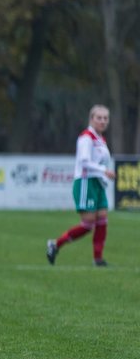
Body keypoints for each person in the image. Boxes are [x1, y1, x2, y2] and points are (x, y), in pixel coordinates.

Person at [47, 105, 115, 267]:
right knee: (88, 224)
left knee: (102, 219)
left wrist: (103, 175)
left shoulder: (101, 139)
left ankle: (98, 259)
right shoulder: (87, 137)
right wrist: (104, 170)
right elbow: (84, 162)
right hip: (85, 182)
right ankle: (55, 244)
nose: (103, 121)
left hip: (97, 183)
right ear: (91, 119)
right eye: (99, 118)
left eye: (105, 118)